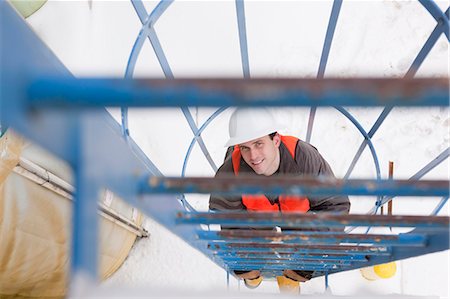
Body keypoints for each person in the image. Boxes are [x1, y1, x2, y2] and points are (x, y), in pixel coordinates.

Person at [209, 108, 350, 293]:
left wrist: (309, 255)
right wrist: (245, 259)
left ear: (276, 140)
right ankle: (255, 278)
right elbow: (228, 218)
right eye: (245, 147)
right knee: (252, 258)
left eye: (259, 144)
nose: (253, 156)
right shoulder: (230, 173)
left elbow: (335, 205)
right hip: (255, 219)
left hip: (296, 215)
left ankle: (290, 283)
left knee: (298, 245)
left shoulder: (304, 160)